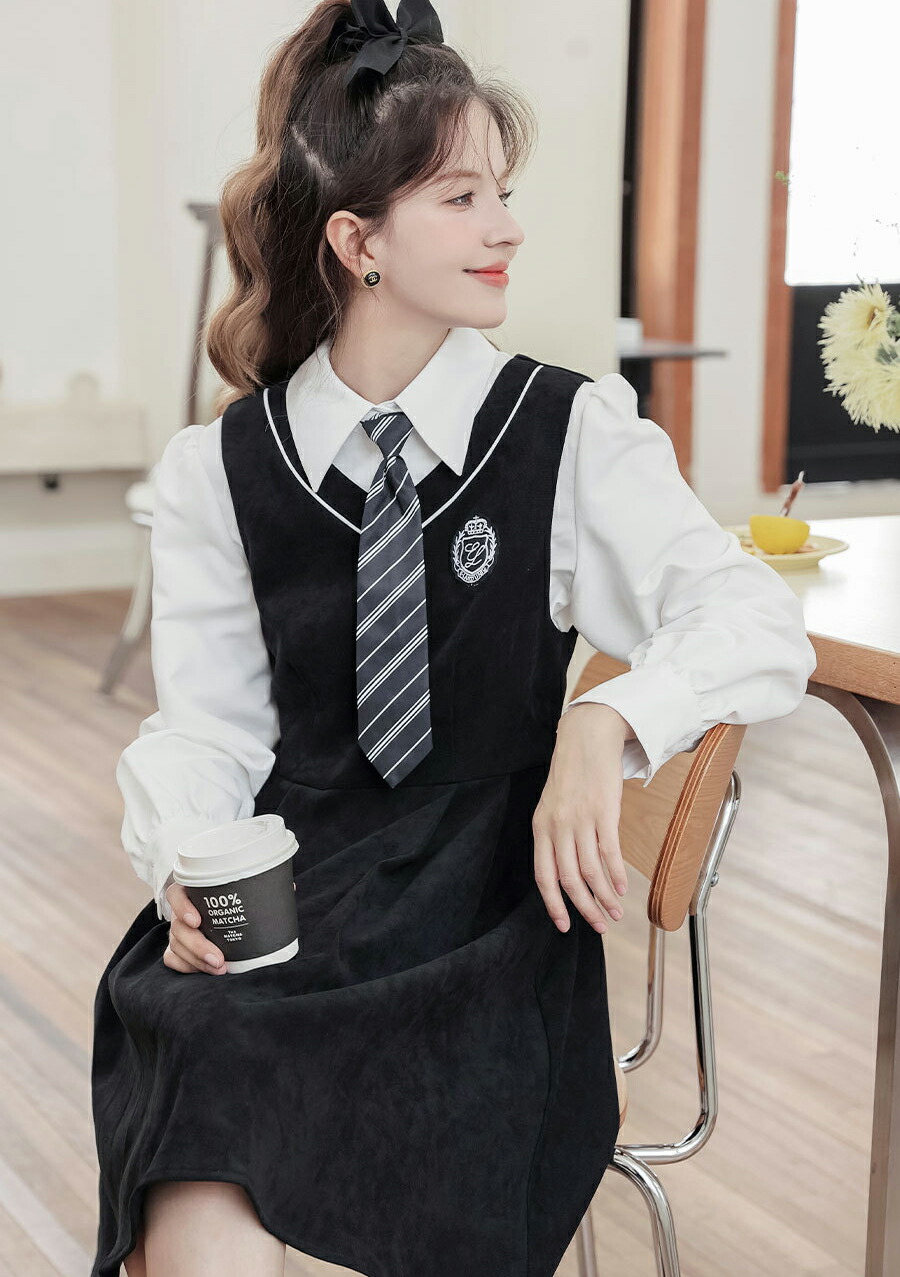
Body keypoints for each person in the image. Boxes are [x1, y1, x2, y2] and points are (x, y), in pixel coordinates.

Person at [89, 2, 818, 1274]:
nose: (507, 228)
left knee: (262, 1112)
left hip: (489, 928)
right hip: (297, 907)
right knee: (202, 1097)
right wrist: (183, 867)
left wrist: (605, 717)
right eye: (462, 198)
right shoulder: (225, 469)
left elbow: (756, 616)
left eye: (504, 194)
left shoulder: (569, 432)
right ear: (358, 241)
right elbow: (209, 729)